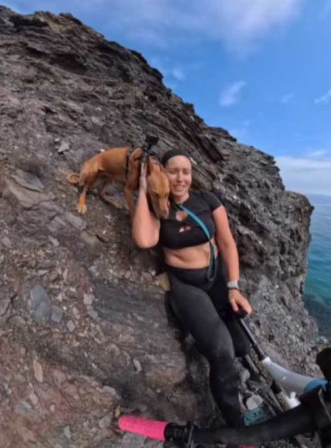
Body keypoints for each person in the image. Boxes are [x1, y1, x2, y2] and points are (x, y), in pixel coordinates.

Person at [131, 148, 254, 430]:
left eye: (186, 172)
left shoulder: (207, 200)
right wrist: (142, 188)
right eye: (173, 171)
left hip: (217, 278)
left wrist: (234, 287)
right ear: (163, 173)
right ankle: (237, 424)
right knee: (222, 352)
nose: (180, 178)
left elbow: (227, 243)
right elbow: (143, 239)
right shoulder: (157, 206)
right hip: (187, 285)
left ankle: (212, 344)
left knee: (241, 345)